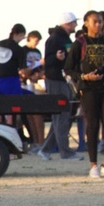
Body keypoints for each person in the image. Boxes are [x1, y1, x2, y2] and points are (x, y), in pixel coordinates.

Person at [63, 11, 104, 178]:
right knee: (93, 124)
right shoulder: (79, 43)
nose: (98, 25)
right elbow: (68, 68)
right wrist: (83, 77)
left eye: (101, 22)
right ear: (87, 23)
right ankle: (93, 165)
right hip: (88, 88)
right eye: (95, 22)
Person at [39, 12, 82, 161]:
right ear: (68, 23)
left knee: (61, 116)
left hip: (62, 80)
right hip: (56, 80)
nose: (76, 25)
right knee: (61, 115)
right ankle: (65, 152)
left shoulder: (63, 38)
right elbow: (48, 60)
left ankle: (45, 149)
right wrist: (56, 58)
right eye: (74, 22)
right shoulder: (55, 39)